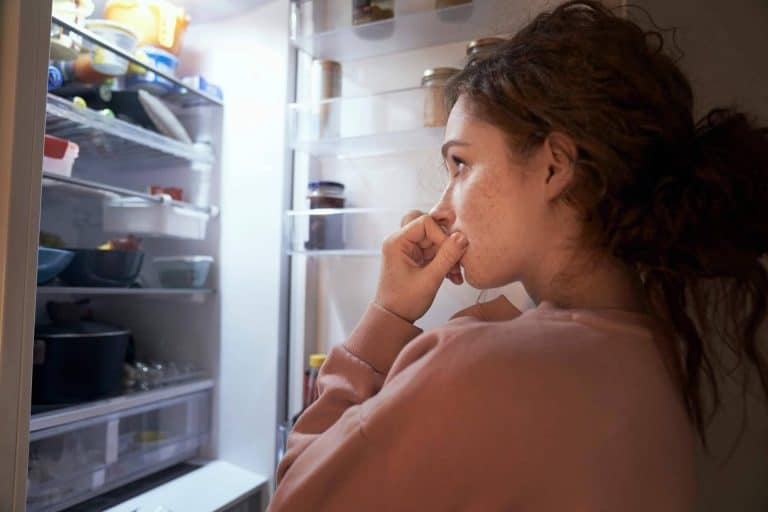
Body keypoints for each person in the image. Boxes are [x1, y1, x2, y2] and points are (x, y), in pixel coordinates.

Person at [270, 1, 768, 510]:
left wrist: (387, 316)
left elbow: (293, 498)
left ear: (554, 168)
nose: (442, 210)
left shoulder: (477, 365)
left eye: (460, 164)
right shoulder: (656, 348)